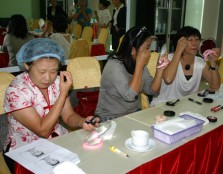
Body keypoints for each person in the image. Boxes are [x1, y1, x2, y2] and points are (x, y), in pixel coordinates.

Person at [3, 38, 100, 173]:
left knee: (88, 163)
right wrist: (63, 93)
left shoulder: (58, 82)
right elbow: (43, 130)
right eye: (42, 72)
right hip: (24, 148)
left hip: (56, 140)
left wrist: (82, 121)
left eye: (54, 71)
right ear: (26, 65)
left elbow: (68, 116)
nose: (48, 78)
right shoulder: (16, 91)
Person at [95, 26, 169, 122]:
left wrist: (160, 70)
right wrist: (139, 66)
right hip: (109, 117)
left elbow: (152, 91)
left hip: (133, 114)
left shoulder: (139, 64)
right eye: (147, 48)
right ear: (133, 50)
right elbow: (130, 96)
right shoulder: (114, 65)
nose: (149, 53)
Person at [151, 26, 221, 106]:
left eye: (197, 39)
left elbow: (215, 86)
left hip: (186, 106)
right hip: (163, 105)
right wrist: (178, 50)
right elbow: (168, 79)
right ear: (179, 42)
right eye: (189, 40)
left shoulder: (200, 63)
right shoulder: (168, 59)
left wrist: (213, 63)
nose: (194, 43)